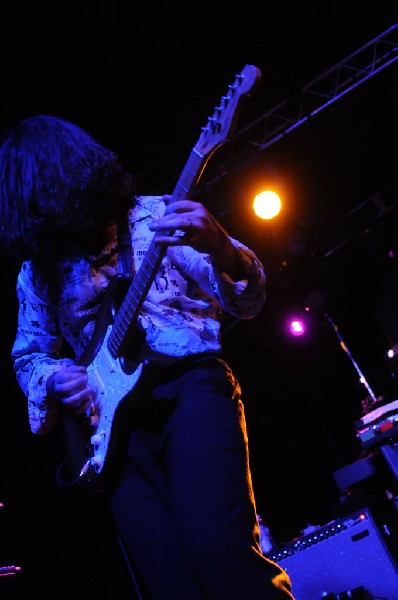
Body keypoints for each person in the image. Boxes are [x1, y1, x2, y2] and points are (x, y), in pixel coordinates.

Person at [0, 114, 294, 599]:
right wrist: (55, 379)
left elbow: (248, 301)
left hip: (189, 390)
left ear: (77, 174)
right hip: (114, 435)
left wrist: (222, 246)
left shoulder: (157, 216)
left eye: (57, 194)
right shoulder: (38, 273)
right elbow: (29, 356)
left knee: (217, 550)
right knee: (168, 581)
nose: (57, 214)